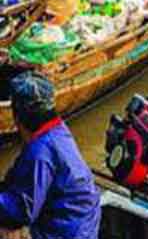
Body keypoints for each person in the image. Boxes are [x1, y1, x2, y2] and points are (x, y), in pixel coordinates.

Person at [0, 73, 100, 239]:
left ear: (17, 117)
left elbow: (22, 211)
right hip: (82, 224)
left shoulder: (40, 152)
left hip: (66, 232)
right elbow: (17, 179)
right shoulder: (58, 130)